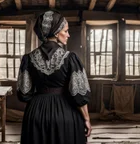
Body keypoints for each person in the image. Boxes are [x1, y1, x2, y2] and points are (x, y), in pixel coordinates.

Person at [17, 10, 91, 144]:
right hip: (65, 113)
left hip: (36, 114)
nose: (68, 35)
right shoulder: (70, 58)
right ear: (56, 32)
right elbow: (79, 94)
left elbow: (24, 93)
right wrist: (86, 119)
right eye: (66, 31)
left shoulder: (28, 59)